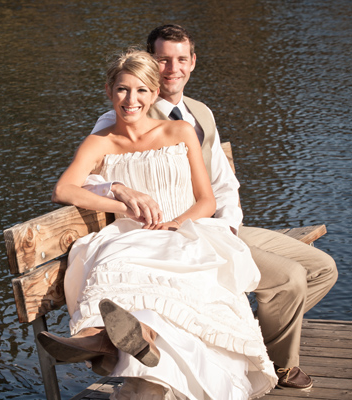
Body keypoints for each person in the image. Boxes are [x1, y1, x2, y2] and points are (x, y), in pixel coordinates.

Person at [83, 24, 338, 390]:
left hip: (218, 228)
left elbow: (223, 184)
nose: (173, 68)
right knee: (290, 278)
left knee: (322, 268)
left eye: (181, 59)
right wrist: (119, 189)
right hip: (178, 235)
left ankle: (249, 342)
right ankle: (281, 365)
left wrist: (231, 227)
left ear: (193, 62)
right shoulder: (127, 112)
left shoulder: (199, 113)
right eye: (162, 60)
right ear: (149, 64)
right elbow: (88, 176)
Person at [39, 48, 277, 399]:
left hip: (181, 229)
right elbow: (64, 189)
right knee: (112, 258)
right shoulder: (99, 142)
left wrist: (175, 224)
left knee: (170, 264)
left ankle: (129, 336)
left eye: (140, 90)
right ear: (109, 91)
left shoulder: (180, 131)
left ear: (153, 93)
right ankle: (100, 336)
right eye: (122, 89)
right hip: (129, 232)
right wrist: (119, 202)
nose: (130, 99)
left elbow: (207, 200)